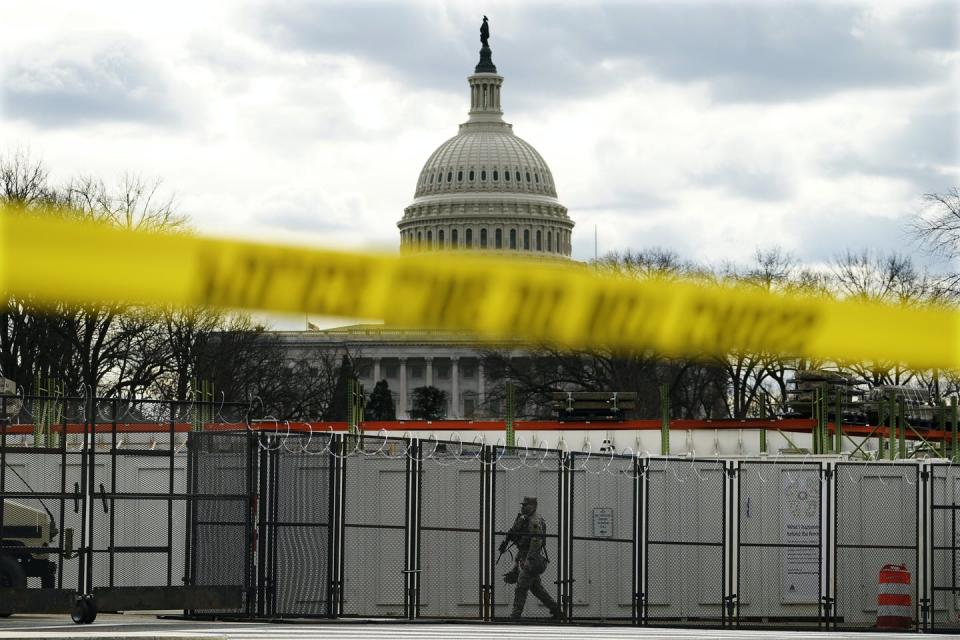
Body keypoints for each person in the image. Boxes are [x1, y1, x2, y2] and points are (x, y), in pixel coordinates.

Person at [498, 496, 563, 621]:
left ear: (533, 506)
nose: (522, 507)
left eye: (525, 505)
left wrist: (529, 560)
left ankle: (515, 616)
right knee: (537, 589)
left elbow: (536, 542)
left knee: (521, 586)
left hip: (531, 557)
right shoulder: (524, 518)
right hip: (524, 554)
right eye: (522, 505)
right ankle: (557, 611)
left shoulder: (534, 521)